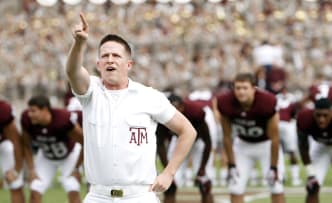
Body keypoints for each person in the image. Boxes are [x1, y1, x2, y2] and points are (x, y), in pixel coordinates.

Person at [65, 13, 196, 203]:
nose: (110, 60)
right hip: (98, 196)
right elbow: (72, 71)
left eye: (116, 55)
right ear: (99, 65)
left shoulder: (149, 96)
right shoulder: (90, 92)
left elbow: (187, 131)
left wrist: (169, 173)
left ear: (128, 64)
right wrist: (79, 43)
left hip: (140, 196)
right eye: (105, 56)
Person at [216, 72, 286, 203]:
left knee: (276, 186)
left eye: (245, 88)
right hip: (243, 145)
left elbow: (275, 138)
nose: (241, 92)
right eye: (238, 88)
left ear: (254, 89)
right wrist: (231, 164)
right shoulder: (225, 102)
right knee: (236, 187)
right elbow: (227, 136)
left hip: (266, 145)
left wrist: (274, 167)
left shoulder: (267, 102)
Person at [21, 95, 83, 203]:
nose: (30, 114)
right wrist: (31, 169)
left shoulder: (62, 119)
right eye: (29, 110)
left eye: (33, 111)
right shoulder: (26, 120)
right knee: (35, 188)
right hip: (46, 157)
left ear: (45, 109)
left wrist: (77, 168)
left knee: (72, 187)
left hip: (69, 155)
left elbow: (84, 142)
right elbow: (26, 145)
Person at [157, 93, 214, 203]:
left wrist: (202, 169)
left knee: (204, 184)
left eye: (176, 109)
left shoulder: (196, 113)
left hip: (198, 143)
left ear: (182, 107)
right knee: (169, 186)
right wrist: (167, 170)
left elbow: (207, 141)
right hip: (179, 142)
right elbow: (160, 144)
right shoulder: (163, 116)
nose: (174, 113)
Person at [0, 100, 25, 203]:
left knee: (15, 183)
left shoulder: (2, 110)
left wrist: (16, 170)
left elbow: (16, 141)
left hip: (4, 144)